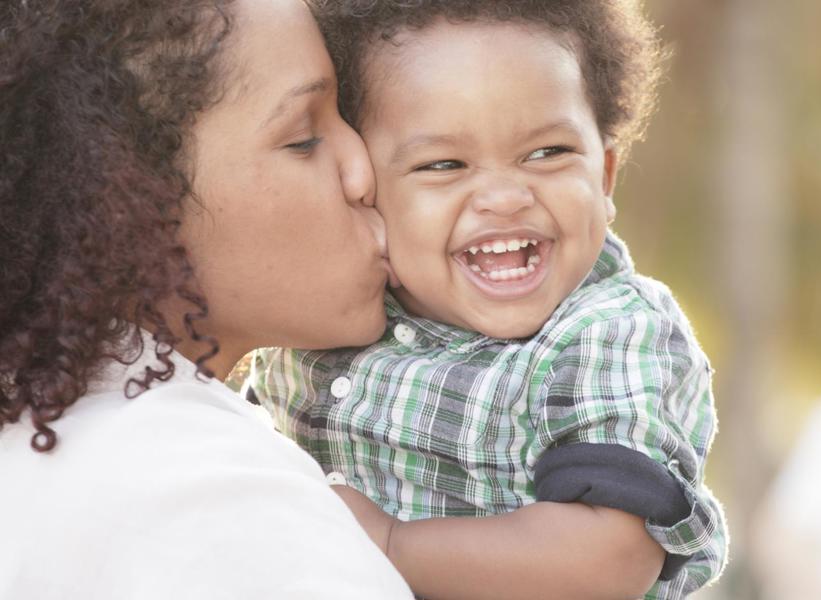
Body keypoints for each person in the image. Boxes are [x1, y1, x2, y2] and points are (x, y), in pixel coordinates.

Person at [249, 2, 729, 598]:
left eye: (547, 153)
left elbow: (607, 559)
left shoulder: (611, 333)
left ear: (604, 178)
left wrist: (390, 544)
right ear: (362, 187)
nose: (504, 197)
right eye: (444, 164)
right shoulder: (326, 318)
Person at [0, 1, 411, 598]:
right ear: (132, 196)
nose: (363, 171)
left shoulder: (51, 436)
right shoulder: (200, 496)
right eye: (303, 138)